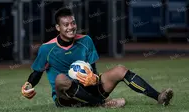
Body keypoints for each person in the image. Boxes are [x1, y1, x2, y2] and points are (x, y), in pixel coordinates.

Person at [21, 7, 173, 108]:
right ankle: (102, 104)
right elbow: (36, 73)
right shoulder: (47, 48)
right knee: (60, 79)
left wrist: (93, 78)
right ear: (57, 28)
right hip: (66, 98)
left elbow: (92, 69)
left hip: (89, 90)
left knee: (120, 70)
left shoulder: (86, 40)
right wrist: (28, 85)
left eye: (73, 23)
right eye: (66, 24)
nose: (70, 27)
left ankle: (158, 96)